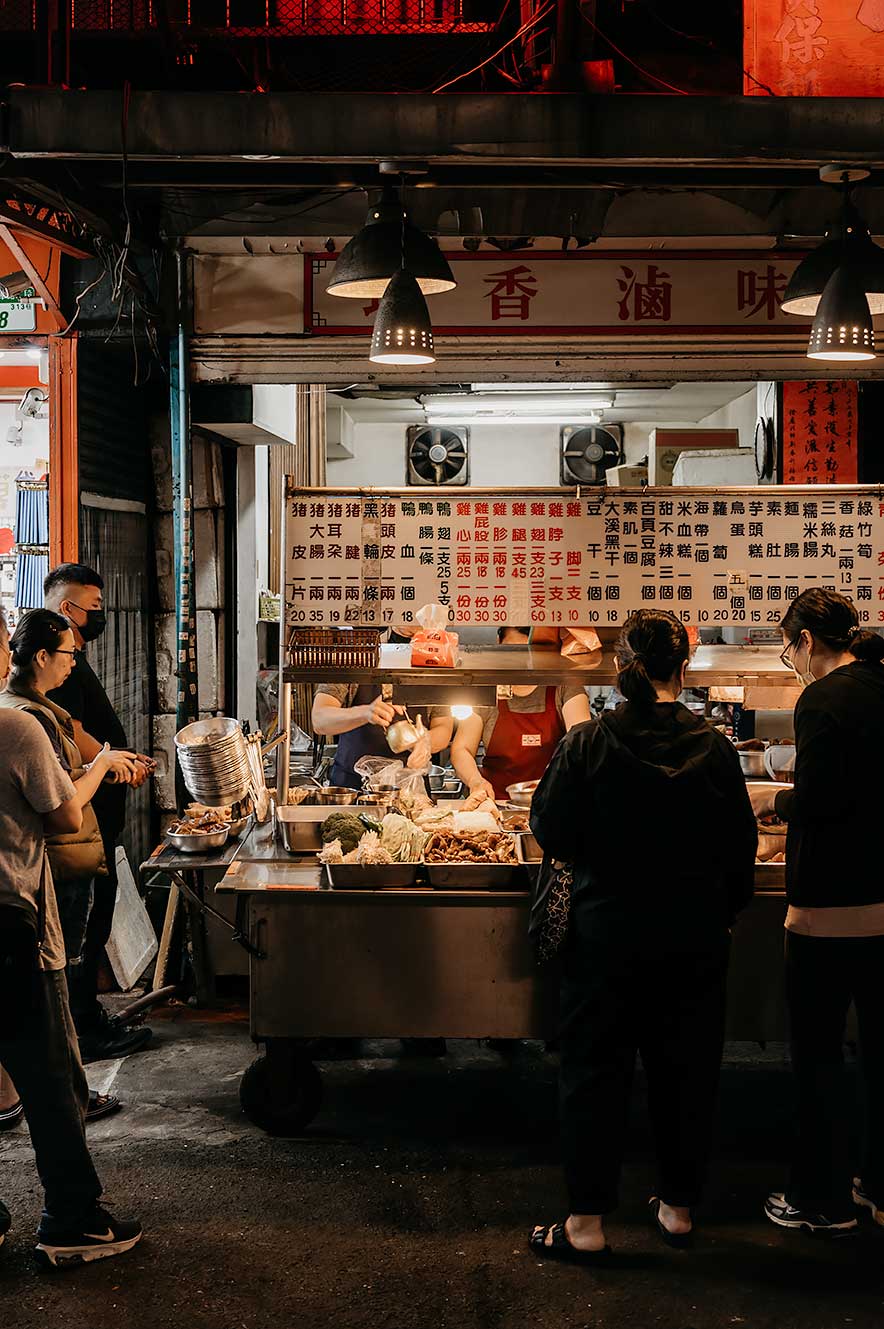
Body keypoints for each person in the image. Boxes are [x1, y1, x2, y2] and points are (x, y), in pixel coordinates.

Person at [528, 610, 756, 1263]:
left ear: (620, 667)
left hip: (605, 935)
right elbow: (739, 847)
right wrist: (725, 911)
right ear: (682, 668)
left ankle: (585, 1225)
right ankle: (679, 1209)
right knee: (685, 1071)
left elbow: (552, 830)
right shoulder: (711, 747)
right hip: (693, 938)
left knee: (593, 1073)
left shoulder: (588, 743)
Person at [0, 606, 142, 1267]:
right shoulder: (15, 725)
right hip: (14, 925)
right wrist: (101, 768)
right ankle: (71, 1222)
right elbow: (60, 815)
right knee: (54, 1077)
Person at [749, 588, 884, 1236]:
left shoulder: (823, 698)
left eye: (788, 648)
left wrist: (773, 802)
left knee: (819, 1059)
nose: (792, 662)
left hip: (828, 910)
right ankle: (876, 1186)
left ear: (805, 641)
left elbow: (823, 800)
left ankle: (819, 1199)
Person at [43, 563, 153, 1062]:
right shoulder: (54, 663)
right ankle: (82, 1031)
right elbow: (74, 733)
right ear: (68, 610)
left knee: (95, 917)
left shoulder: (71, 658)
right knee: (86, 925)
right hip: (80, 826)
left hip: (97, 818)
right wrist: (112, 762)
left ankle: (86, 1019)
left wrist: (121, 759)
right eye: (96, 609)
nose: (101, 616)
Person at [450, 627, 591, 803]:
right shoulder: (488, 691)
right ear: (498, 644)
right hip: (497, 804)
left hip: (554, 804)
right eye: (511, 649)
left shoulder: (564, 687)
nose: (520, 660)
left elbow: (582, 742)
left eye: (528, 652)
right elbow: (461, 749)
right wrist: (476, 782)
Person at [311, 684, 453, 788]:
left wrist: (426, 740)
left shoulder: (432, 661)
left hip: (410, 788)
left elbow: (443, 727)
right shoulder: (354, 657)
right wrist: (364, 713)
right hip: (352, 789)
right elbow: (319, 719)